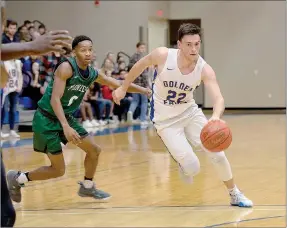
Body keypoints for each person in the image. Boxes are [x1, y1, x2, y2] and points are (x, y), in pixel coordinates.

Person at [112, 23, 253, 208]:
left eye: (197, 44)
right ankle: (183, 163)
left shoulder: (204, 69)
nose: (194, 49)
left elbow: (218, 98)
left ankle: (234, 193)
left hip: (190, 113)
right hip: (165, 121)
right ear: (179, 44)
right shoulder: (162, 55)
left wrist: (216, 116)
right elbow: (140, 65)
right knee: (193, 168)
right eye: (189, 44)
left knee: (217, 154)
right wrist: (123, 87)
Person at [6, 35, 151, 203]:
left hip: (65, 117)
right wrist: (66, 127)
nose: (88, 53)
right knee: (58, 170)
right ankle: (17, 178)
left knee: (94, 150)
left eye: (90, 50)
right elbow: (55, 99)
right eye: (83, 50)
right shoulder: (66, 68)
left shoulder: (91, 72)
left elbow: (115, 82)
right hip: (46, 119)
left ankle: (87, 187)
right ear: (74, 52)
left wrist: (144, 90)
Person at [1, 1, 73, 226]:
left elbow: (2, 79)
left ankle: (19, 178)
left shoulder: (87, 71)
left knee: (6, 215)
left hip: (61, 122)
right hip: (46, 120)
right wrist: (30, 47)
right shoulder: (63, 70)